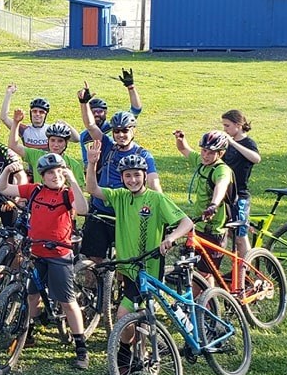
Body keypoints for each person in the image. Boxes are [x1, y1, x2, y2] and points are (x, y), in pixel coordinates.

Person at [85, 147, 194, 375]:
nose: (132, 179)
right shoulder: (121, 197)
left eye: (136, 175)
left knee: (128, 312)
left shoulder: (156, 199)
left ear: (145, 175)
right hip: (129, 267)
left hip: (150, 267)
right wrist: (92, 164)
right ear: (122, 178)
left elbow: (186, 223)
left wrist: (171, 238)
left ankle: (134, 358)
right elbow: (92, 189)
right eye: (127, 176)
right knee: (136, 313)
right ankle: (136, 356)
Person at [0, 153, 91, 369]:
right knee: (31, 296)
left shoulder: (68, 194)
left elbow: (83, 209)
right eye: (50, 173)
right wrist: (8, 170)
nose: (55, 176)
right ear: (43, 175)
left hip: (59, 254)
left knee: (67, 301)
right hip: (36, 252)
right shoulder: (35, 190)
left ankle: (81, 348)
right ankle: (27, 332)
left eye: (59, 171)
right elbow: (3, 189)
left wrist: (73, 180)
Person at [80, 110, 162, 264]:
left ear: (133, 130)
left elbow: (153, 182)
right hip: (100, 210)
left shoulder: (143, 155)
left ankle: (121, 285)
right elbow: (91, 126)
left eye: (125, 130)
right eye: (116, 131)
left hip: (126, 213)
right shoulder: (108, 147)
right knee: (94, 257)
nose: (120, 135)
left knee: (125, 260)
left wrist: (161, 207)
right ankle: (96, 287)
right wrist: (83, 103)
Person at [174, 129, 235, 262]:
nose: (205, 155)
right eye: (203, 150)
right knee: (197, 270)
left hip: (214, 228)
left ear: (221, 153)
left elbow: (221, 186)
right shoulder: (202, 163)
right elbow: (184, 149)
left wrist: (213, 205)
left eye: (211, 152)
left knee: (205, 273)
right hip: (199, 224)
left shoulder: (222, 170)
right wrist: (180, 139)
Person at [78, 69, 144, 166]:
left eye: (100, 111)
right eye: (93, 112)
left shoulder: (116, 126)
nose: (96, 114)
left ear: (106, 112)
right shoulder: (84, 135)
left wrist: (131, 87)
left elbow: (136, 109)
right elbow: (86, 160)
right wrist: (84, 103)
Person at [220, 110, 261, 255]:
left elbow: (256, 158)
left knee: (240, 237)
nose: (225, 129)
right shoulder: (227, 143)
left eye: (227, 126)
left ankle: (245, 272)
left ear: (238, 125)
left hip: (240, 195)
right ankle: (238, 267)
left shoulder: (248, 143)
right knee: (231, 232)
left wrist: (233, 143)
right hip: (227, 194)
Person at [9, 121, 85, 188]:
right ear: (48, 141)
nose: (56, 144)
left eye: (60, 141)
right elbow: (13, 145)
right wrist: (16, 122)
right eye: (52, 140)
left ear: (66, 143)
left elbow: (79, 192)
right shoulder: (37, 155)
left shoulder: (75, 165)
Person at [0, 84, 51, 150]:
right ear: (30, 113)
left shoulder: (51, 129)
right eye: (34, 111)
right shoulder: (24, 130)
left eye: (41, 112)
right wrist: (8, 93)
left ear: (46, 114)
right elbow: (4, 117)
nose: (37, 114)